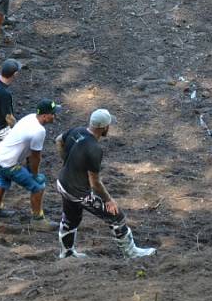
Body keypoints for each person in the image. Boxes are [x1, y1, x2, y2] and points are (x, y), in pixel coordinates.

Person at [55, 109, 156, 259]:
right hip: (78, 191)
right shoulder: (94, 149)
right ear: (104, 128)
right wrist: (109, 200)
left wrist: (66, 160)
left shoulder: (77, 131)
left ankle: (67, 253)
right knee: (116, 216)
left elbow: (58, 140)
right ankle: (131, 253)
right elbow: (95, 183)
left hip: (62, 183)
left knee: (71, 219)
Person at [0, 99, 60, 230]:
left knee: (3, 181)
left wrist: (29, 167)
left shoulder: (30, 117)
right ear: (44, 116)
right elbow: (35, 156)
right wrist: (34, 174)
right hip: (9, 164)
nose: (55, 116)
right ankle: (38, 220)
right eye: (53, 113)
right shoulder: (39, 131)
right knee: (38, 187)